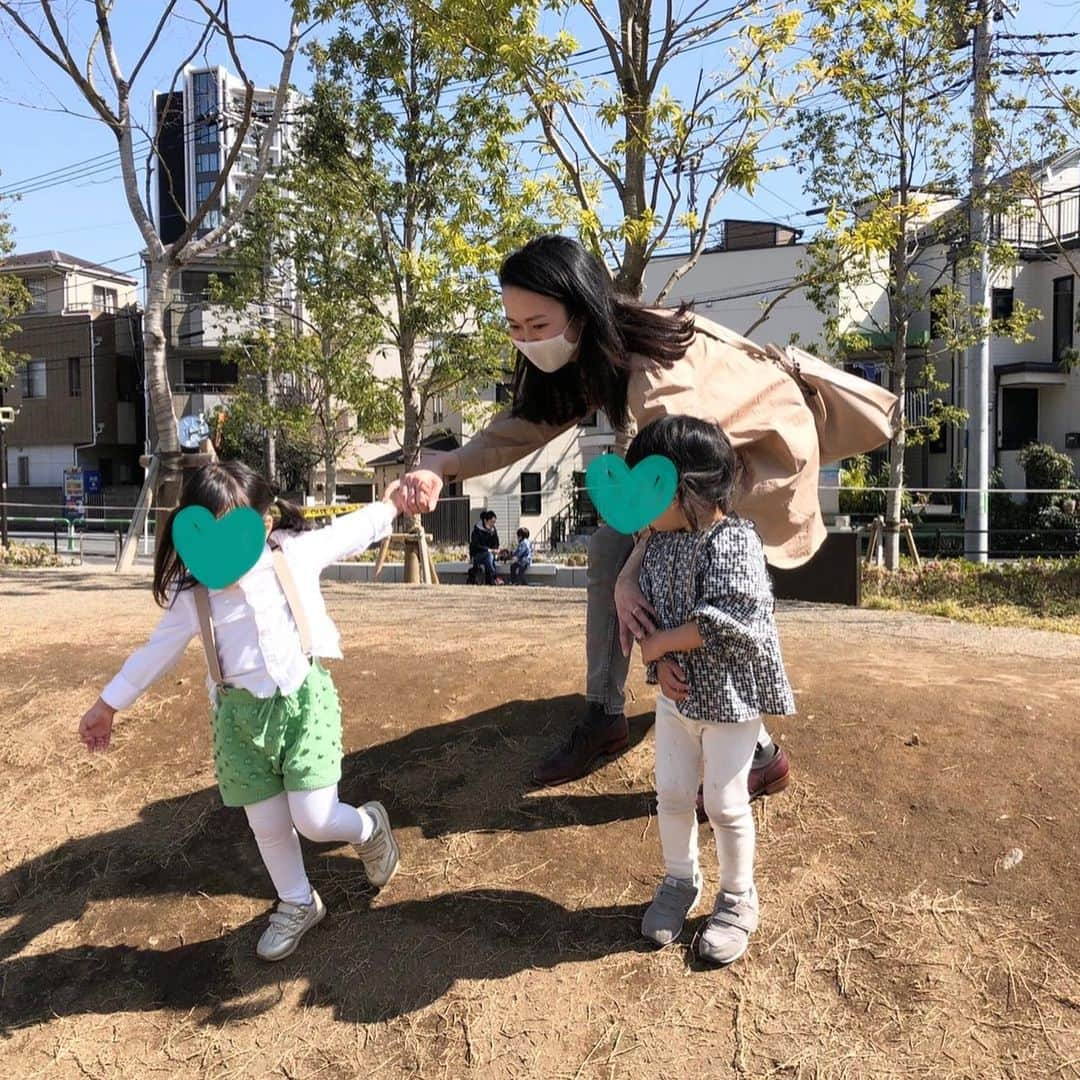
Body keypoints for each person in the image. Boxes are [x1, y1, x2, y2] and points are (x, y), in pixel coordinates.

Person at [399, 234, 818, 790]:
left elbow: (678, 488)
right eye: (515, 326)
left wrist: (630, 572)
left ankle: (755, 749)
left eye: (538, 324)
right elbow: (526, 425)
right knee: (617, 551)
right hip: (679, 467)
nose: (526, 340)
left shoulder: (652, 374)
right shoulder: (590, 352)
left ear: (581, 309)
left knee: (684, 574)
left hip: (753, 458)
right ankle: (605, 712)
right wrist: (445, 463)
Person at [77, 461, 408, 962]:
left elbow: (347, 532)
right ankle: (298, 901)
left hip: (302, 705)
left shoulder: (291, 556)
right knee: (269, 826)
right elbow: (155, 652)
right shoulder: (194, 595)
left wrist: (393, 504)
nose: (222, 552)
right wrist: (108, 704)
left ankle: (367, 828)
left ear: (265, 523)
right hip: (238, 721)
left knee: (315, 819)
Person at [630, 415, 794, 965]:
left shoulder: (735, 539)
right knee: (672, 794)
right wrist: (660, 660)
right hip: (677, 701)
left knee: (724, 800)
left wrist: (659, 648)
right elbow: (651, 615)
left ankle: (738, 896)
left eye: (647, 487)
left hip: (731, 701)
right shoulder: (659, 543)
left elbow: (731, 618)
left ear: (687, 487)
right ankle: (681, 879)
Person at [468, 510, 501, 585]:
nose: (493, 524)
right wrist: (489, 550)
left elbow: (496, 542)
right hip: (477, 555)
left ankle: (491, 581)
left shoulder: (493, 530)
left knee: (489, 559)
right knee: (489, 556)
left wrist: (496, 549)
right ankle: (495, 578)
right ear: (485, 520)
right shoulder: (477, 531)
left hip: (488, 556)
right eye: (491, 522)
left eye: (494, 522)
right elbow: (476, 545)